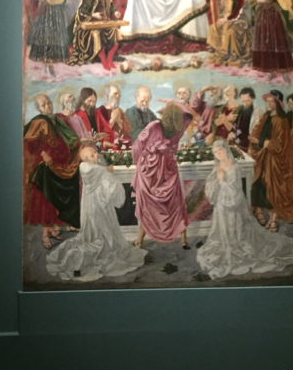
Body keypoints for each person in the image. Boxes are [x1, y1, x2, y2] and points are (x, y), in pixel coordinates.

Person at [46, 146, 147, 282]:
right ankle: (89, 254)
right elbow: (109, 184)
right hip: (97, 207)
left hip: (95, 207)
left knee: (100, 228)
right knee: (101, 230)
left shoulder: (90, 169)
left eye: (95, 152)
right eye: (92, 155)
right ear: (86, 160)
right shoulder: (92, 169)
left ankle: (100, 243)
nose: (96, 155)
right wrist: (108, 172)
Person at [196, 139, 293, 280]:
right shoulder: (217, 166)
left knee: (237, 228)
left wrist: (222, 180)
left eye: (220, 150)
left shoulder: (234, 167)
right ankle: (226, 243)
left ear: (226, 150)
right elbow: (210, 184)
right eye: (216, 152)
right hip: (221, 203)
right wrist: (217, 180)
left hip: (234, 204)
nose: (219, 154)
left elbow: (234, 191)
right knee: (223, 228)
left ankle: (236, 245)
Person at [23, 94, 82, 248]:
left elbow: (67, 140)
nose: (48, 106)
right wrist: (44, 154)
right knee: (45, 199)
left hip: (58, 163)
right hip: (46, 165)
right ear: (39, 109)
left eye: (48, 103)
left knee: (55, 199)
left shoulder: (56, 120)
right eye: (44, 105)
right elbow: (32, 144)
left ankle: (53, 230)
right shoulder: (39, 121)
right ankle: (45, 234)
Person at [132, 101, 193, 248]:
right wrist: (174, 103)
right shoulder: (179, 128)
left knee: (148, 206)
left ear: (164, 114)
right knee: (175, 204)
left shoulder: (154, 125)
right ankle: (184, 240)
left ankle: (139, 240)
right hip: (168, 169)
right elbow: (188, 114)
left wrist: (139, 163)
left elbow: (137, 146)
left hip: (151, 170)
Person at [249, 90, 293, 232]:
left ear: (278, 103)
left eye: (271, 101)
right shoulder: (266, 116)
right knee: (261, 188)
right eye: (267, 101)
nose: (268, 103)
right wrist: (255, 139)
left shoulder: (282, 120)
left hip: (276, 162)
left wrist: (266, 143)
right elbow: (257, 130)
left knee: (273, 190)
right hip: (263, 158)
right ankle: (270, 217)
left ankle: (275, 219)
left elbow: (281, 145)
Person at [249, 0, 293, 83]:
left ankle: (284, 71)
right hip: (263, 16)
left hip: (274, 16)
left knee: (278, 42)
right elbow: (251, 0)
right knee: (267, 44)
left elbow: (285, 0)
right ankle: (271, 71)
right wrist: (260, 0)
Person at [67, 0, 122, 70]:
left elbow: (112, 9)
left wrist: (116, 13)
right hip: (90, 26)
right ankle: (103, 59)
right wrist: (93, 15)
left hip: (104, 24)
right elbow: (82, 11)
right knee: (96, 34)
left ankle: (109, 58)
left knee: (116, 32)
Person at [27, 0, 69, 75]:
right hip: (46, 11)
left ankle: (51, 63)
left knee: (55, 35)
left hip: (56, 10)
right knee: (47, 36)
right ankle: (47, 64)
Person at [207, 0, 252, 67]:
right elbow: (230, 11)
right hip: (232, 20)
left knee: (230, 32)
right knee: (213, 27)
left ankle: (232, 55)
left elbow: (237, 12)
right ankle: (218, 50)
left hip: (241, 22)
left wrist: (225, 19)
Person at [228, 87, 264, 152]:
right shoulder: (239, 110)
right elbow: (233, 126)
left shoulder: (258, 112)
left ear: (253, 99)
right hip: (236, 144)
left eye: (247, 101)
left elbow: (261, 131)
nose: (245, 104)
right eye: (243, 101)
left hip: (250, 146)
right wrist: (231, 132)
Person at [98, 85, 132, 149]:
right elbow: (100, 131)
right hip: (107, 145)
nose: (118, 96)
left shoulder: (120, 111)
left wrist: (119, 120)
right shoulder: (100, 111)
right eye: (115, 94)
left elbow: (128, 130)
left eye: (119, 94)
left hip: (120, 144)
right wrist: (113, 119)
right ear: (108, 95)